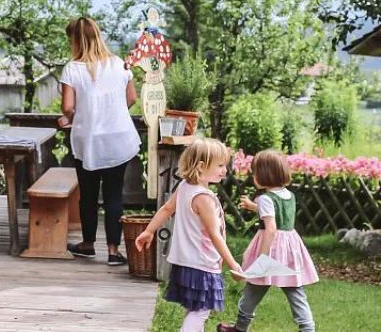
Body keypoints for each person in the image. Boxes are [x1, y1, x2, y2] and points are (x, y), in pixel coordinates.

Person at [135, 138, 243, 332]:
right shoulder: (204, 198)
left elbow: (167, 209)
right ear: (201, 167)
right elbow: (215, 235)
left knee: (194, 310)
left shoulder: (185, 187)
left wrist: (149, 230)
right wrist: (233, 263)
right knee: (200, 311)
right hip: (202, 266)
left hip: (185, 263)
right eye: (220, 165)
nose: (224, 170)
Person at [58, 17, 140, 264]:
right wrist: (109, 112)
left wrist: (75, 118)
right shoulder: (119, 64)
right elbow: (132, 98)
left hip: (89, 141)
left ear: (75, 40)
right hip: (118, 137)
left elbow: (68, 107)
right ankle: (114, 252)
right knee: (115, 194)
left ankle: (88, 244)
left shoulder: (72, 69)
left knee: (89, 195)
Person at [217, 150, 318, 332]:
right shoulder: (289, 195)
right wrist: (254, 207)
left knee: (254, 288)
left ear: (265, 174)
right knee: (295, 292)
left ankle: (240, 328)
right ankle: (308, 329)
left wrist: (261, 259)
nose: (253, 176)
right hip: (288, 248)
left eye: (255, 172)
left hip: (270, 248)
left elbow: (271, 228)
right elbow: (277, 216)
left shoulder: (265, 198)